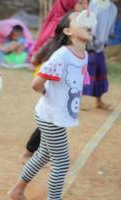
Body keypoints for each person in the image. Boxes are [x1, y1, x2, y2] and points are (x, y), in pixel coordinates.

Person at [8, 10, 92, 200]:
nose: (86, 22)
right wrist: (51, 96)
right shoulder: (61, 56)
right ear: (68, 31)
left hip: (57, 116)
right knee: (61, 163)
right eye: (79, 20)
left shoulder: (83, 55)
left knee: (43, 155)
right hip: (50, 116)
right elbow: (36, 84)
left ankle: (17, 190)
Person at [19, 0, 84, 164]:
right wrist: (44, 88)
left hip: (59, 84)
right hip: (49, 80)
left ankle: (39, 153)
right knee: (49, 122)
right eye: (81, 4)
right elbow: (47, 47)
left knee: (53, 123)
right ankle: (29, 152)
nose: (84, 7)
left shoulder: (75, 35)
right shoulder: (63, 29)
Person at [82, 0, 118, 109]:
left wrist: (107, 39)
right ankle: (76, 100)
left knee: (101, 71)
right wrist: (87, 38)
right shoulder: (94, 3)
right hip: (89, 43)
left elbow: (111, 27)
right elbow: (87, 20)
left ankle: (99, 101)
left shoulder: (114, 8)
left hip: (100, 46)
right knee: (85, 72)